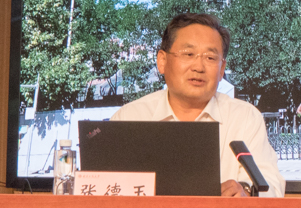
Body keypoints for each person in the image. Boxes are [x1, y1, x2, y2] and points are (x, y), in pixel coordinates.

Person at [111, 12, 284, 197]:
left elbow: (271, 186)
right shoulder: (129, 118)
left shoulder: (244, 118)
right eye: (188, 54)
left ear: (221, 69)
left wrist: (246, 194)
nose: (199, 67)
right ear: (162, 61)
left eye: (210, 58)